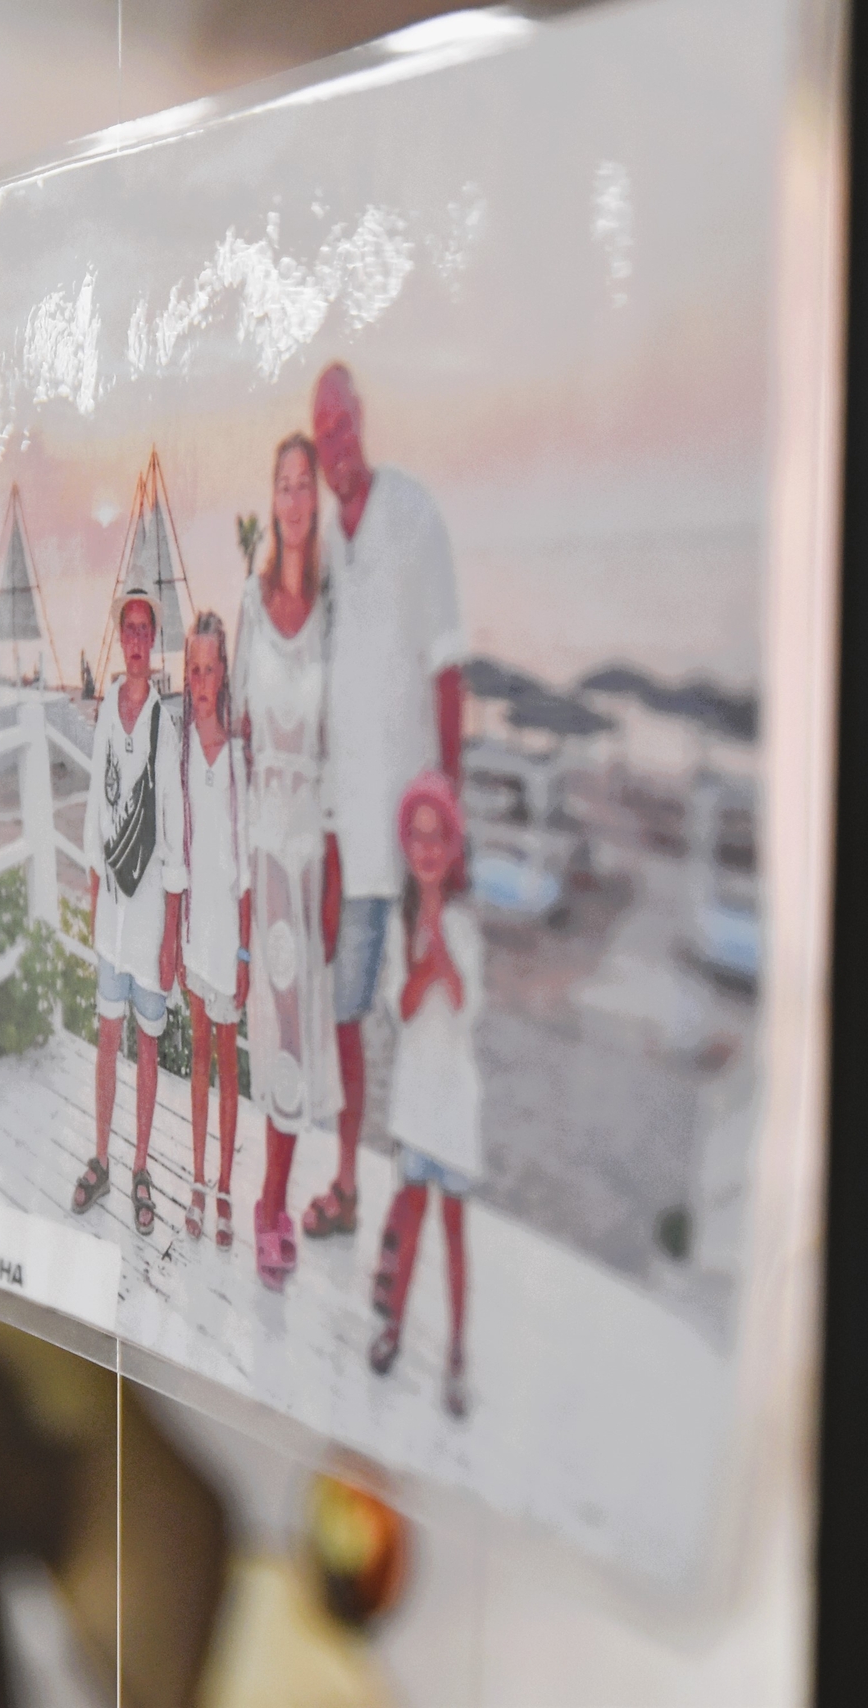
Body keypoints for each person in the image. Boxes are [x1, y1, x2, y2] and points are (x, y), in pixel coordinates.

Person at [306, 362, 468, 1242]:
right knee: (345, 1019)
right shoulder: (329, 546)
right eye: (321, 432)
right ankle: (345, 1185)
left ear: (361, 420)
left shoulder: (413, 514)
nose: (334, 445)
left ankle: (412, 1207)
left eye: (341, 426)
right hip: (350, 839)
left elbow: (447, 667)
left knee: (419, 1029)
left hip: (412, 843)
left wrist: (452, 816)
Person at [235, 433, 343, 1290]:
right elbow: (239, 740)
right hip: (266, 850)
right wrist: (239, 877)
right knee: (280, 1027)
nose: (296, 499)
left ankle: (273, 1195)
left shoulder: (335, 613)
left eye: (306, 485)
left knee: (302, 1034)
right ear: (272, 500)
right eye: (285, 485)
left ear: (318, 499)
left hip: (313, 856)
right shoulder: (251, 600)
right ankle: (270, 1200)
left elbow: (342, 749)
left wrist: (335, 872)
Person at [367, 772, 482, 1419]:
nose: (428, 849)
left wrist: (444, 949)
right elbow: (403, 1009)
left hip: (455, 1108)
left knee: (454, 1233)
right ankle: (394, 1327)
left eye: (439, 837)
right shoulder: (398, 922)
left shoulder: (462, 924)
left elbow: (466, 1010)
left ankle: (458, 1349)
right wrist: (425, 953)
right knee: (409, 1220)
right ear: (406, 844)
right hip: (415, 1107)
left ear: (454, 846)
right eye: (418, 836)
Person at [77, 566, 186, 1233]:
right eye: (131, 629)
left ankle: (141, 1167)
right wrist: (94, 895)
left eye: (147, 630)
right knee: (106, 1037)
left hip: (148, 924)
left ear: (155, 640)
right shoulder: (106, 715)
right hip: (112, 917)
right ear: (120, 637)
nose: (139, 640)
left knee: (147, 1046)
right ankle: (101, 1157)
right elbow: (95, 812)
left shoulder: (163, 728)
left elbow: (172, 838)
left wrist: (172, 935)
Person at [177, 610, 252, 1245]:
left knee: (229, 1064)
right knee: (197, 1056)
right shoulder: (180, 751)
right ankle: (197, 1179)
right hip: (194, 933)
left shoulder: (238, 758)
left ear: (225, 672)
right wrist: (175, 937)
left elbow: (246, 864)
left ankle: (226, 1186)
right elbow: (179, 850)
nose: (201, 681)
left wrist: (247, 952)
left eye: (210, 669)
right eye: (193, 670)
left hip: (229, 939)